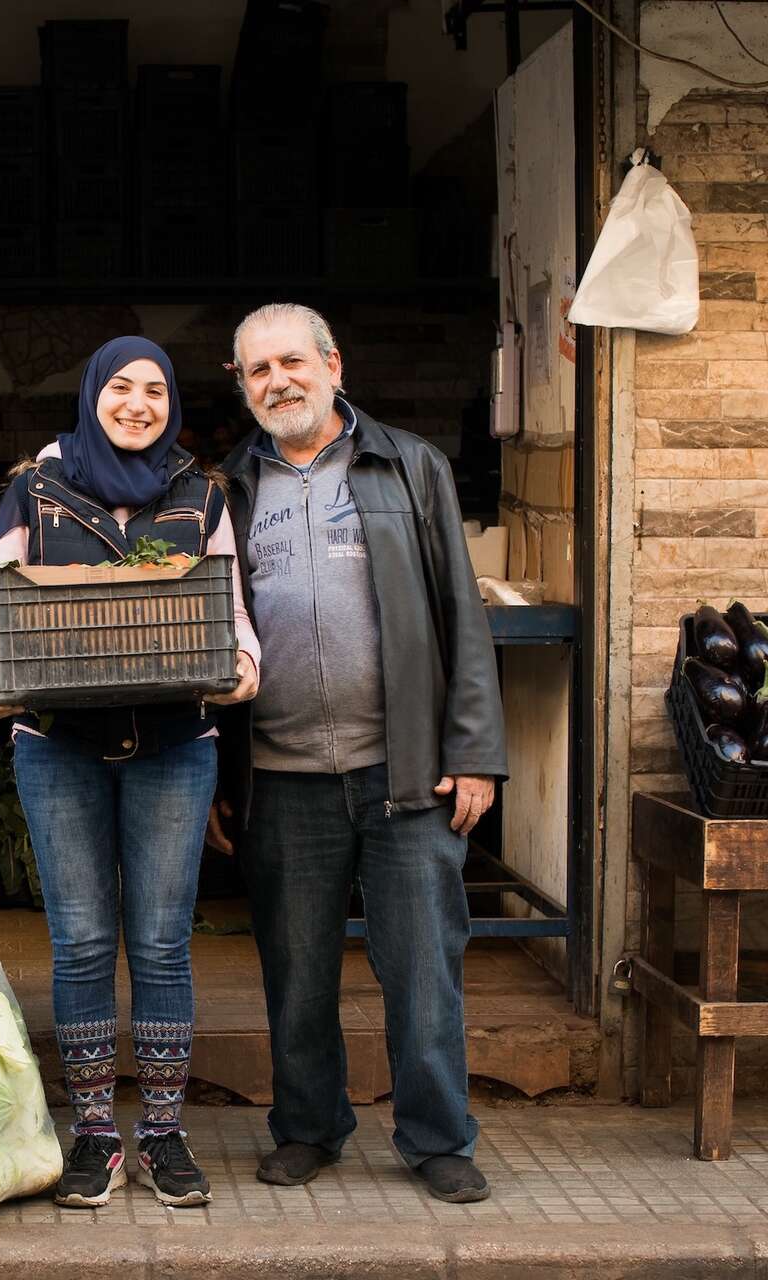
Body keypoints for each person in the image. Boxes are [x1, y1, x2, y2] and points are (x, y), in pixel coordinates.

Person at [209, 302, 507, 1204]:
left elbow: (461, 614)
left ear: (334, 364)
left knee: (423, 967)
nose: (277, 383)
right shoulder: (227, 486)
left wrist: (477, 753)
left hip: (407, 771)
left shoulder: (408, 465)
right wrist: (223, 777)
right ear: (244, 386)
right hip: (282, 776)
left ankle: (437, 1137)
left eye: (291, 363)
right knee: (296, 972)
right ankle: (308, 1127)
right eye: (257, 371)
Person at [0, 336, 260, 1210]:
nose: (139, 403)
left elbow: (231, 609)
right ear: (92, 393)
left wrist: (244, 663)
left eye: (157, 390)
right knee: (83, 941)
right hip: (58, 744)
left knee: (164, 941)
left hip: (176, 743)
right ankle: (96, 1134)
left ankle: (164, 1134)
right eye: (122, 387)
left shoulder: (201, 494)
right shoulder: (36, 490)